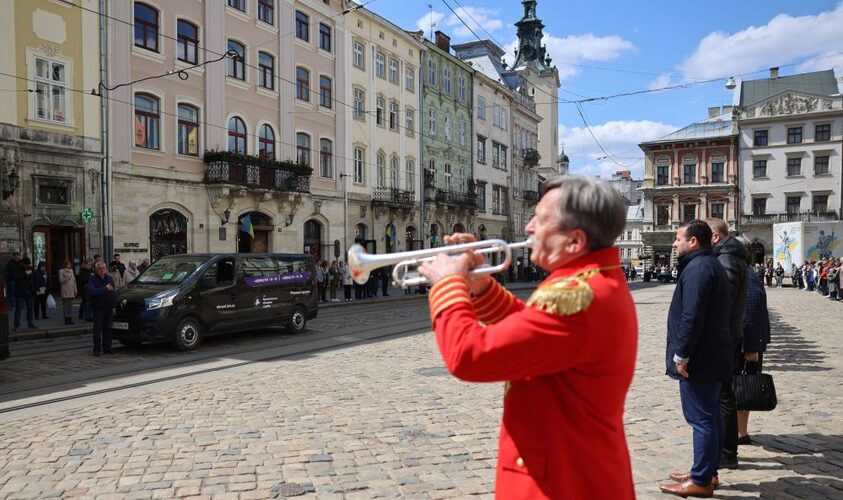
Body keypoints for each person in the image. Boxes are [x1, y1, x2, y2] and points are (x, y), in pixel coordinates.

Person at [417, 175, 637, 499]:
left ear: (575, 242)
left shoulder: (575, 297)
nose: (529, 227)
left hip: (561, 481)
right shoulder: (590, 282)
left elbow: (469, 356)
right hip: (575, 468)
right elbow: (534, 334)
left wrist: (448, 284)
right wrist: (481, 286)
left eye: (540, 220)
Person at [660, 220, 733, 498]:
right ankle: (706, 471)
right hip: (711, 354)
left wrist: (682, 354)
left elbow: (692, 315)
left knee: (701, 419)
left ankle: (701, 480)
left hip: (700, 358)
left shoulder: (699, 268)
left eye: (678, 239)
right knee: (710, 417)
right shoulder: (707, 264)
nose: (675, 243)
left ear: (693, 241)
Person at [705, 218, 748, 471]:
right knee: (724, 394)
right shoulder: (729, 255)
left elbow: (724, 301)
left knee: (722, 396)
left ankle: (726, 451)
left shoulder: (727, 259)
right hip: (727, 336)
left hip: (723, 339)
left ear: (715, 237)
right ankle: (726, 450)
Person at [734, 236, 770, 445]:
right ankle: (739, 431)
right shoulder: (744, 270)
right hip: (745, 341)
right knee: (740, 386)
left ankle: (741, 433)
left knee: (742, 387)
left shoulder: (745, 273)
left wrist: (751, 347)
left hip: (745, 343)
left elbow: (752, 307)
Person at [87, 261, 116, 356]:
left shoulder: (109, 279)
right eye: (100, 268)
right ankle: (97, 349)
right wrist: (105, 288)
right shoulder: (92, 279)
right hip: (98, 308)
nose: (102, 270)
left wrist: (113, 306)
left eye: (104, 268)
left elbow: (113, 294)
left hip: (108, 307)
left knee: (107, 329)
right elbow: (92, 291)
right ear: (96, 269)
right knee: (97, 329)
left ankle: (107, 347)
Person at [13, 257, 36, 330]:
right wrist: (25, 274)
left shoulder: (30, 269)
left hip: (29, 291)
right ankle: (16, 325)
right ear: (22, 264)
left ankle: (30, 323)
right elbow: (16, 277)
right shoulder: (17, 268)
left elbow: (34, 278)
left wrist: (35, 288)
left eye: (28, 265)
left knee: (30, 308)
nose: (27, 266)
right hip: (20, 291)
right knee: (18, 308)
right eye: (26, 265)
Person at [58, 259, 77, 325]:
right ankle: (66, 319)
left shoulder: (71, 271)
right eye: (67, 264)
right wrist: (67, 278)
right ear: (65, 265)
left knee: (70, 306)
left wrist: (75, 290)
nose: (69, 265)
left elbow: (74, 281)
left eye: (69, 264)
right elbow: (61, 281)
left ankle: (70, 318)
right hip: (65, 290)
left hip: (71, 290)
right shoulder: (61, 271)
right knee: (66, 306)